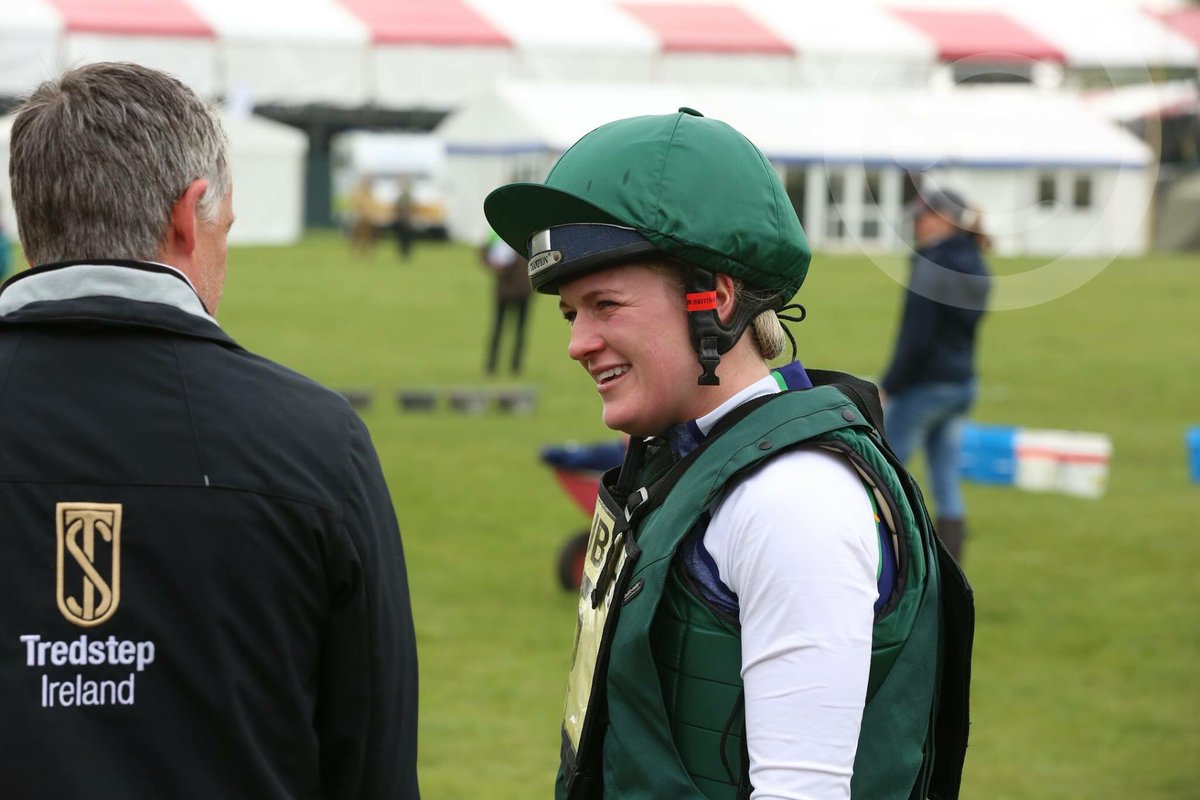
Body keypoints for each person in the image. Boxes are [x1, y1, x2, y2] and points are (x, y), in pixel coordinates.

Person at [485, 109, 971, 800]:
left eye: (605, 305)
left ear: (714, 298)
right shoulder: (680, 463)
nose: (577, 342)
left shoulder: (793, 498)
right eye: (571, 314)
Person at [0, 62, 420, 799]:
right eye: (225, 228)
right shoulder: (317, 440)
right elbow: (372, 765)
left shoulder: (319, 441)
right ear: (190, 216)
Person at [881, 188, 991, 562]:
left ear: (945, 218)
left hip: (925, 387)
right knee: (946, 485)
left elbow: (917, 334)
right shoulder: (974, 259)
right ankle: (951, 571)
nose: (917, 224)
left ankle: (888, 560)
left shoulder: (932, 263)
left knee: (883, 473)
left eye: (923, 216)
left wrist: (890, 386)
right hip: (962, 385)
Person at [481, 228, 532, 376]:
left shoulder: (498, 234)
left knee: (510, 328)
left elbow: (485, 255)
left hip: (514, 290)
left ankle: (503, 365)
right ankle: (502, 365)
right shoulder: (504, 234)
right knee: (508, 328)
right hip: (516, 290)